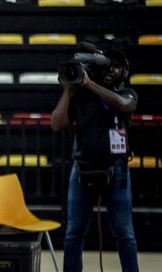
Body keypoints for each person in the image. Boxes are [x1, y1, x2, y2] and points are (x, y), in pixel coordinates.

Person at [51, 47, 139, 272]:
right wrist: (69, 91)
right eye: (108, 65)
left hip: (116, 170)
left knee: (124, 233)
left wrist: (90, 85)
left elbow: (124, 105)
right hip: (82, 170)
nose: (112, 70)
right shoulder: (81, 95)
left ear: (124, 71)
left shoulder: (127, 92)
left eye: (117, 66)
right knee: (73, 234)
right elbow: (56, 124)